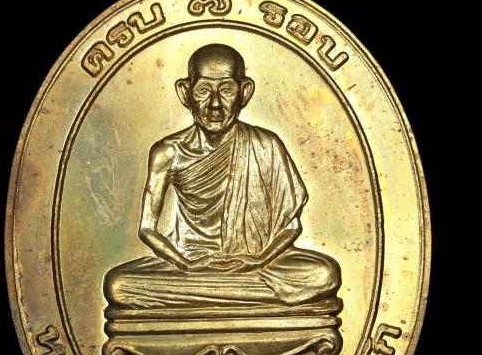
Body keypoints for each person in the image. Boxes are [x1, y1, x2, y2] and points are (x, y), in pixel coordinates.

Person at [103, 43, 341, 311]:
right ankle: (240, 294)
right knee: (119, 285)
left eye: (226, 90)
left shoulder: (266, 145)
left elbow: (291, 226)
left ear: (244, 92)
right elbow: (147, 228)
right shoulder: (167, 152)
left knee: (324, 274)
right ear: (185, 92)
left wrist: (259, 260)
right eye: (203, 90)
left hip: (256, 263)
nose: (214, 104)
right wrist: (186, 265)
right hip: (190, 263)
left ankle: (216, 293)